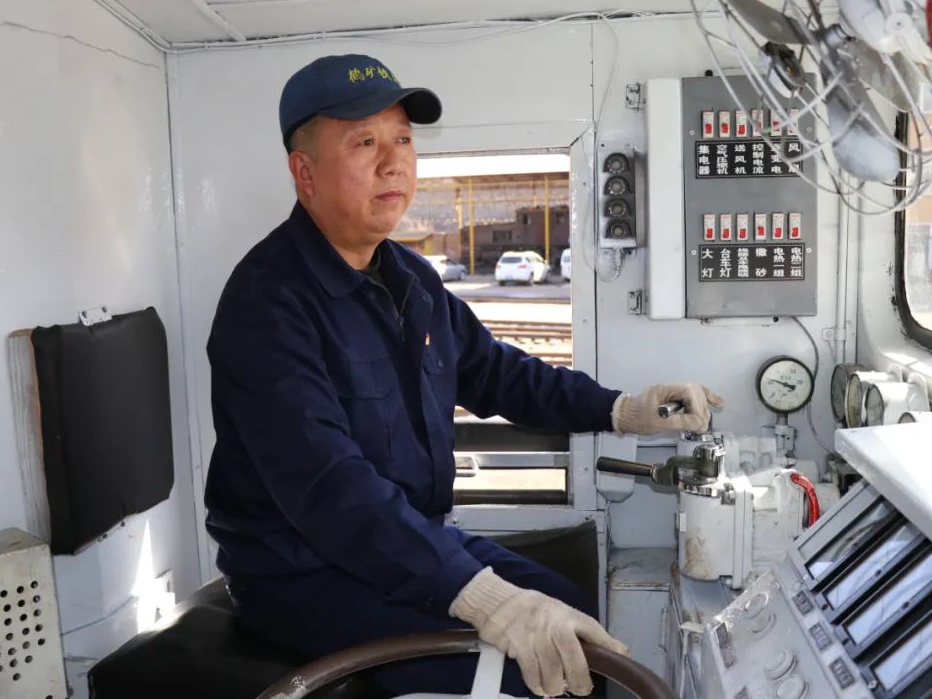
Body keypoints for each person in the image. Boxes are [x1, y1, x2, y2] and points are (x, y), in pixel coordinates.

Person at [203, 53, 722, 698]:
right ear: (304, 172)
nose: (394, 163)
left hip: (403, 542)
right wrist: (484, 600)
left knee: (568, 614)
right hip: (302, 572)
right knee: (518, 669)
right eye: (364, 143)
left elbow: (498, 373)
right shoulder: (268, 303)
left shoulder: (410, 278)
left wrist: (624, 410)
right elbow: (329, 488)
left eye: (402, 140)